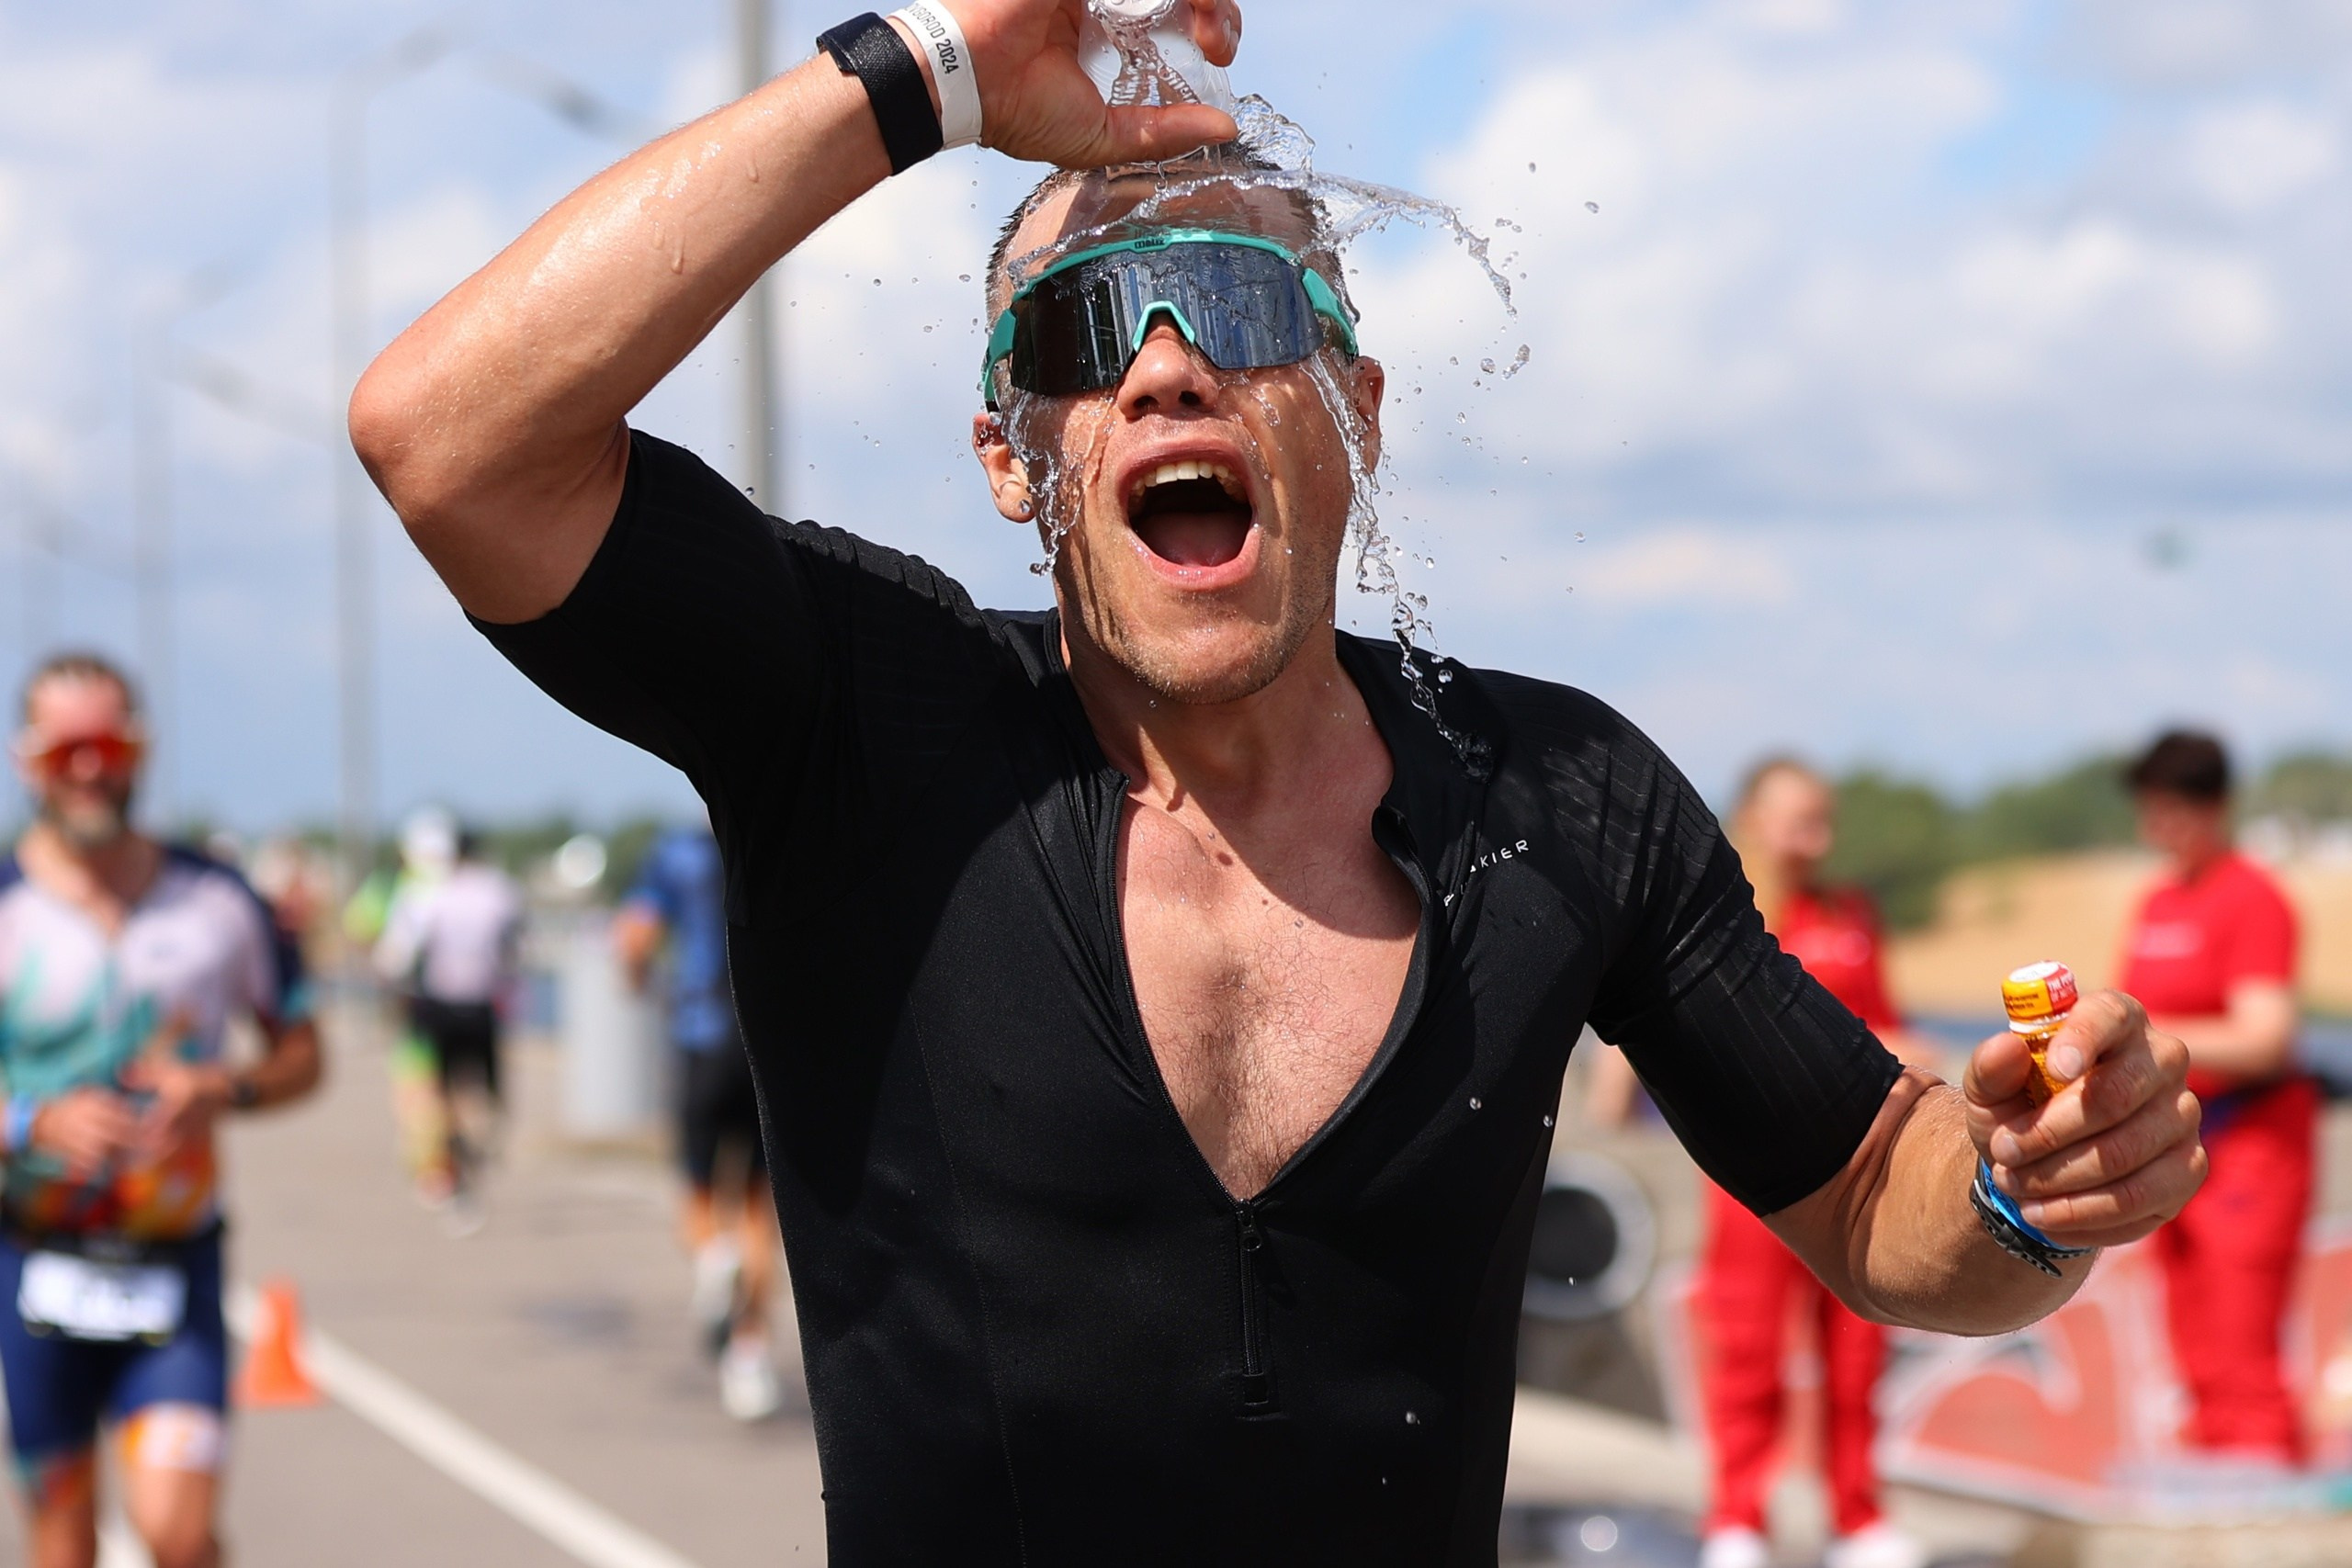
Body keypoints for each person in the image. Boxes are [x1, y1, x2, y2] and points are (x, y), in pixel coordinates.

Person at [346, 4, 2205, 1558]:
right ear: (1014, 455)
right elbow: (448, 439)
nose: (1163, 364)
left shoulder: (1553, 790)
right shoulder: (858, 714)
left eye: (1236, 306)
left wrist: (2035, 1178)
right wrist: (927, 76)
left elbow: (1882, 1199)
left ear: (1355, 416)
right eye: (1082, 330)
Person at [0, 652, 321, 1568]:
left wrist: (226, 1087)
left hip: (173, 1270)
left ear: (138, 748)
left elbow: (302, 1050)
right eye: (66, 751)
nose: (89, 769)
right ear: (29, 761)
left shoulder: (219, 899)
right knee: (61, 1544)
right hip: (33, 1264)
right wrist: (31, 1123)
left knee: (178, 1538)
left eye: (105, 745)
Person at [1697, 761, 1935, 1568]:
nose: (1819, 839)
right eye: (1802, 820)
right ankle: (1737, 1517)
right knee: (1748, 1350)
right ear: (1755, 818)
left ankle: (1857, 1517)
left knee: (1858, 1352)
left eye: (1825, 819)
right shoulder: (1720, 911)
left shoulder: (1853, 913)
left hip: (1860, 1173)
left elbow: (1892, 1024)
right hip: (1749, 1176)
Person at [2119, 730, 2308, 1465]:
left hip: (2251, 1139)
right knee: (2191, 1343)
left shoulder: (2252, 897)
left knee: (2244, 1344)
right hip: (2174, 1138)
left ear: (2215, 807)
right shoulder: (2158, 900)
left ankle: (2266, 1506)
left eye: (2173, 812)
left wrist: (2148, 1032)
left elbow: (2265, 1036)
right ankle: (2209, 1502)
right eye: (2150, 812)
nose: (2159, 829)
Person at [615, 822, 786, 1421]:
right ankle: (750, 1357)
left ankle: (714, 1256)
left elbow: (633, 937)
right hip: (771, 1048)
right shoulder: (786, 837)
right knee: (762, 1208)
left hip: (701, 1038)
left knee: (697, 1186)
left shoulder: (677, 852)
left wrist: (638, 984)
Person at [374, 814, 522, 1231]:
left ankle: (453, 1163)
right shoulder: (499, 891)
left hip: (437, 1006)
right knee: (485, 1096)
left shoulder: (426, 894)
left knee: (438, 1096)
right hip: (483, 1006)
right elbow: (515, 948)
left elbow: (395, 958)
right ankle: (474, 1148)